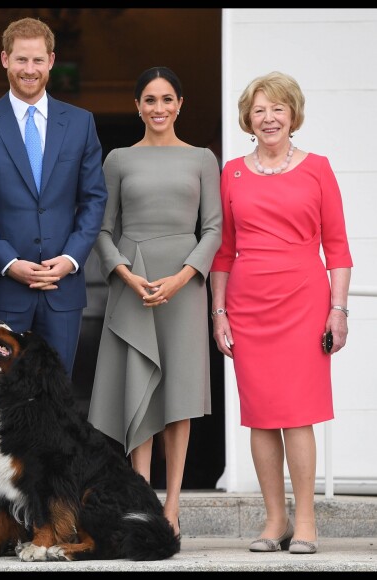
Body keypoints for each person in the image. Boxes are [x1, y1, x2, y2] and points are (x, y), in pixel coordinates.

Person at [0, 17, 108, 531]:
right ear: (5, 60)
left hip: (62, 288)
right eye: (21, 58)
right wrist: (9, 262)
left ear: (51, 61)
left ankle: (56, 523)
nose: (30, 68)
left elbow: (93, 200)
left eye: (39, 59)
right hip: (4, 287)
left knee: (57, 413)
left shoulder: (80, 122)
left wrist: (70, 258)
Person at [210, 71, 353, 555]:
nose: (268, 118)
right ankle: (274, 521)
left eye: (277, 109)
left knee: (299, 414)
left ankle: (306, 520)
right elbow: (223, 252)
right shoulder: (231, 171)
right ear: (248, 119)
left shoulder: (318, 168)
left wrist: (339, 310)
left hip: (305, 302)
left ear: (293, 115)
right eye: (259, 110)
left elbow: (337, 248)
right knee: (261, 416)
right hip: (249, 306)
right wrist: (219, 312)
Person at [87, 66, 223, 539]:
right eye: (150, 99)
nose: (159, 108)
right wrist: (126, 273)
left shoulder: (203, 158)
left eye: (167, 99)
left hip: (183, 287)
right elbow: (102, 230)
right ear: (137, 105)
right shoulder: (118, 159)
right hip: (134, 282)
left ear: (180, 104)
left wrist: (184, 277)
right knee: (139, 389)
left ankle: (173, 504)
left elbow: (213, 228)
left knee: (179, 395)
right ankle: (140, 496)